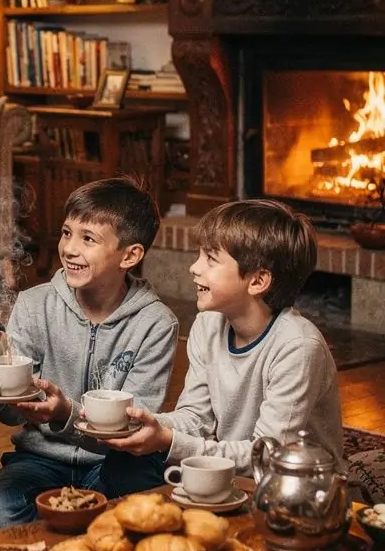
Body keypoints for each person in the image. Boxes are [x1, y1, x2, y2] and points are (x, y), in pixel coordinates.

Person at [0, 177, 179, 533]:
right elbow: (10, 416)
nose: (69, 248)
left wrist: (66, 413)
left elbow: (135, 429)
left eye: (88, 238)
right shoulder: (34, 305)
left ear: (130, 255)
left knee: (147, 507)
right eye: (67, 233)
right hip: (40, 459)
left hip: (115, 463)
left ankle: (70, 530)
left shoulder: (156, 323)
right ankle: (87, 531)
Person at [103, 199, 343, 478]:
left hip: (298, 488)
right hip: (237, 472)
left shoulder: (298, 346)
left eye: (211, 259)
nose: (194, 267)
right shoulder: (208, 324)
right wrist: (142, 426)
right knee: (124, 464)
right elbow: (196, 418)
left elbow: (267, 456)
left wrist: (169, 442)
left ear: (257, 281)